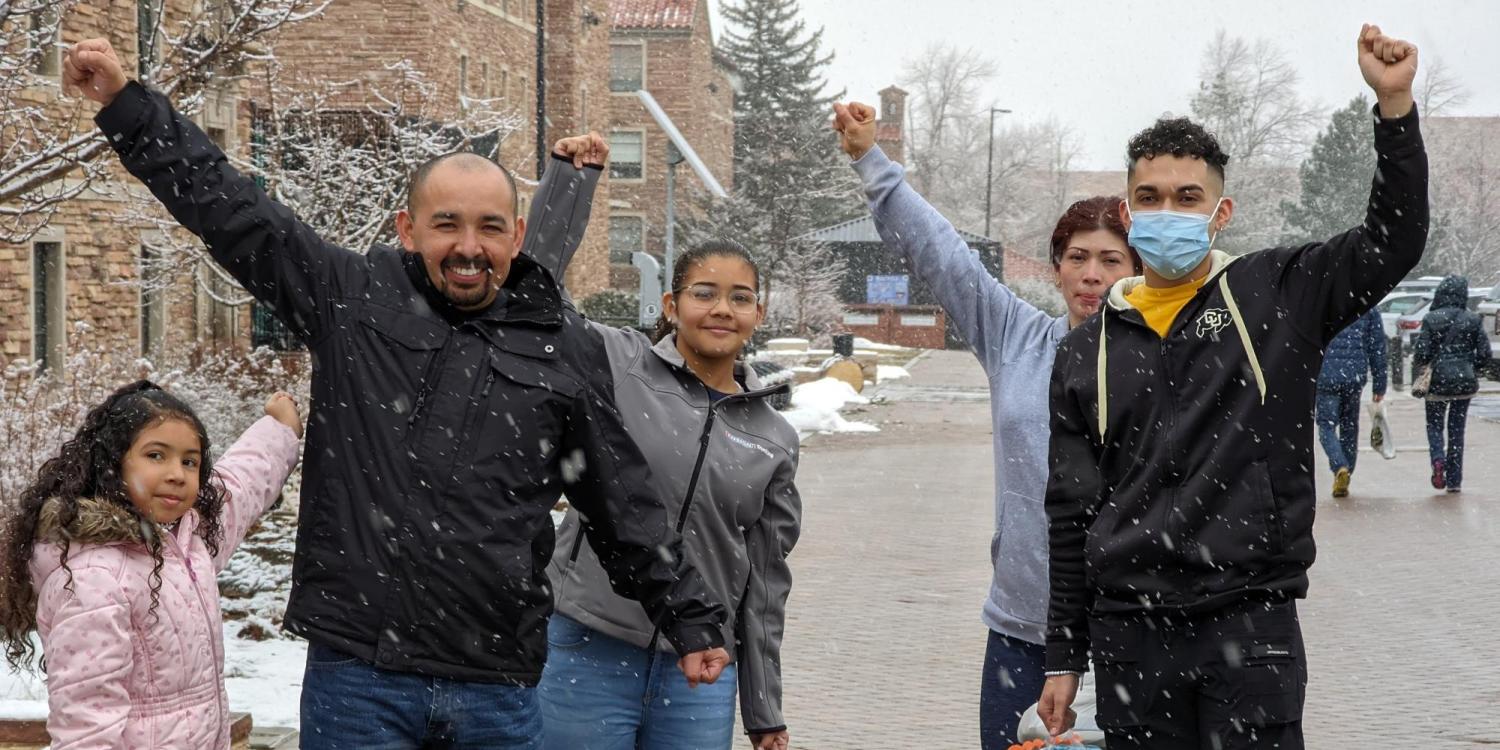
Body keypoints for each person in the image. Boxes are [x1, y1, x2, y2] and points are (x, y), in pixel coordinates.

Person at [63, 38, 729, 749]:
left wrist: (686, 614)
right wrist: (126, 105)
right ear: (409, 229)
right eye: (446, 224)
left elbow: (619, 497)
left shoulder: (565, 347)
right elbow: (230, 207)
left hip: (496, 684)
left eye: (488, 227)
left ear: (518, 237)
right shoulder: (349, 299)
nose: (467, 245)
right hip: (360, 677)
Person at [1037, 24, 1427, 749]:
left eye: (1189, 198)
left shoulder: (1278, 292)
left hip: (1250, 628)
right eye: (1149, 197)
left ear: (1221, 214)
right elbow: (1068, 514)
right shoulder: (1084, 351)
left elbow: (1392, 241)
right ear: (1127, 212)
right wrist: (1064, 653)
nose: (1167, 212)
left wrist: (1395, 110)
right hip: (1131, 640)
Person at [831, 102, 1141, 748]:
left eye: (1111, 260)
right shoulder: (1015, 339)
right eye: (1078, 257)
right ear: (1055, 267)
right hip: (1022, 633)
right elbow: (942, 254)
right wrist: (871, 161)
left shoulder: (1166, 360)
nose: (1092, 274)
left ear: (1137, 271)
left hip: (1128, 637)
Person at [526, 146, 801, 749]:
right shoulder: (618, 365)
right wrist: (571, 183)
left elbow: (764, 583)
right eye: (704, 293)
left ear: (758, 313)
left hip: (698, 673)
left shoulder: (773, 438)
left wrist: (762, 708)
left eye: (740, 297)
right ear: (672, 307)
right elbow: (532, 300)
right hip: (587, 652)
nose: (721, 309)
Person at [0, 383, 303, 749]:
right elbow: (87, 724)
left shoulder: (186, 543)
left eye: (189, 461)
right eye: (156, 455)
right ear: (112, 464)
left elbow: (240, 486)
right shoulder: (93, 578)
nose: (177, 473)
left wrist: (279, 431)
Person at [1413, 275, 1489, 493]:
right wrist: (1471, 368)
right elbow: (1484, 353)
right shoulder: (1472, 319)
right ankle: (1454, 480)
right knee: (1457, 431)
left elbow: (1422, 352)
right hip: (1463, 384)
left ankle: (1438, 460)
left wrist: (1424, 368)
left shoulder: (1431, 318)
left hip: (1437, 382)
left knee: (1434, 426)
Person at [1315, 307, 1388, 497]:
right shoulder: (1367, 306)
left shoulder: (1323, 301)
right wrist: (1379, 386)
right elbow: (1377, 347)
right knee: (1350, 425)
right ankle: (1347, 470)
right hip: (1353, 375)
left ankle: (1340, 466)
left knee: (1326, 425)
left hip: (1326, 375)